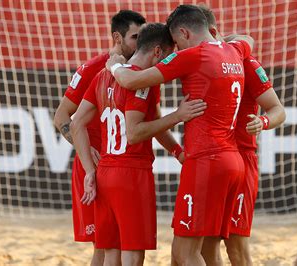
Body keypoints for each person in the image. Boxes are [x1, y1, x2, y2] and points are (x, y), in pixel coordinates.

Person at [106, 5, 254, 265]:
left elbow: (130, 81)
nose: (176, 49)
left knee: (186, 254)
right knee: (194, 252)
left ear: (184, 32)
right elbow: (247, 38)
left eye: (176, 42)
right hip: (232, 160)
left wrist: (115, 66)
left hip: (206, 161)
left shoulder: (193, 55)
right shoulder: (235, 49)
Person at [71, 23, 206, 266]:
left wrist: (90, 171)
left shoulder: (104, 75)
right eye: (168, 54)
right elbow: (134, 133)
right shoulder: (144, 81)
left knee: (110, 253)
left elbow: (76, 123)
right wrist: (178, 115)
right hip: (131, 174)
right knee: (133, 254)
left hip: (105, 172)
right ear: (157, 51)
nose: (169, 62)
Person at [53, 10, 146, 266]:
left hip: (118, 168)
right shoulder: (93, 68)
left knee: (116, 247)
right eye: (135, 37)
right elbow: (61, 117)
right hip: (92, 167)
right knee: (104, 249)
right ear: (117, 37)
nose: (140, 43)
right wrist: (87, 152)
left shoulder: (135, 70)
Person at [197, 5, 286, 266]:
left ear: (212, 32)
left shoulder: (245, 61)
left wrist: (263, 121)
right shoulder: (193, 62)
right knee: (206, 244)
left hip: (241, 159)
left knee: (236, 245)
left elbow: (277, 109)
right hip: (211, 160)